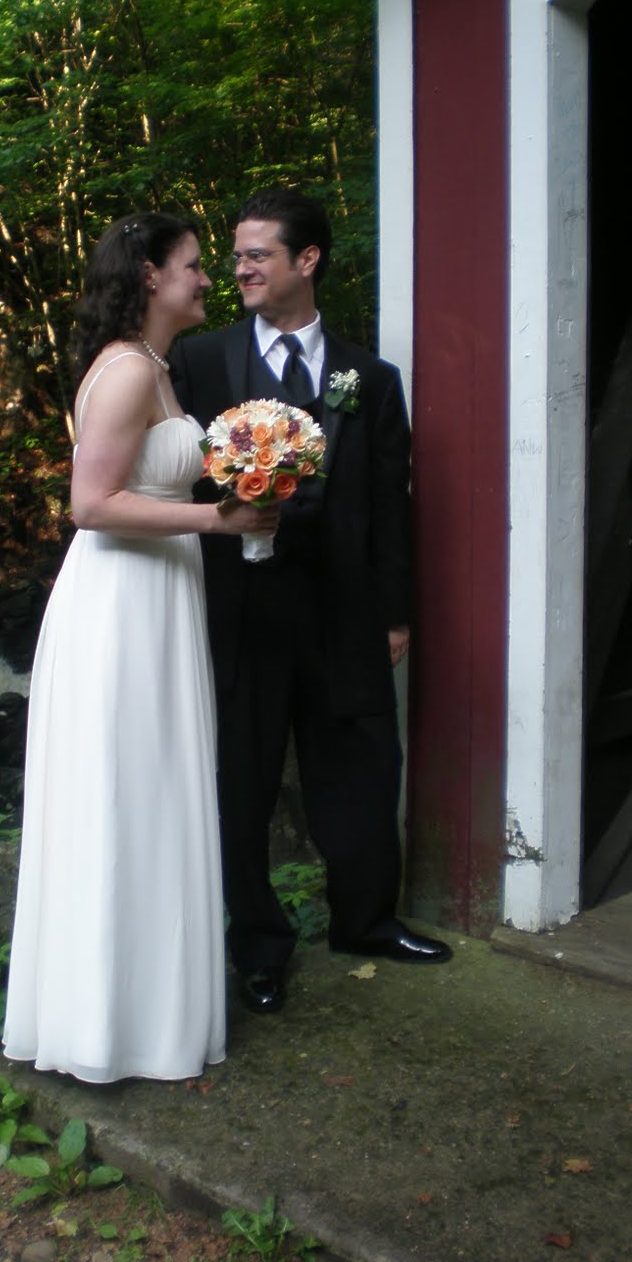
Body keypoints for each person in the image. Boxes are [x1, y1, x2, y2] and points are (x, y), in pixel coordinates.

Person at [2, 212, 277, 1082]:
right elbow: (89, 505)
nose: (209, 279)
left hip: (158, 596)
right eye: (195, 266)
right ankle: (101, 1026)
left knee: (154, 794)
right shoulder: (124, 373)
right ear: (152, 276)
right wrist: (217, 518)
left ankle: (150, 1018)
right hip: (119, 606)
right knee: (117, 798)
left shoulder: (155, 367)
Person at [170, 188, 451, 1016]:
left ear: (307, 260)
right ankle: (258, 948)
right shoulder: (201, 361)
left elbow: (393, 502)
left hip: (343, 612)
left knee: (363, 767)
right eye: (235, 256)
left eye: (258, 254)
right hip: (238, 609)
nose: (241, 268)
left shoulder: (370, 375)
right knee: (242, 781)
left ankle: (366, 921)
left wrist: (396, 611)